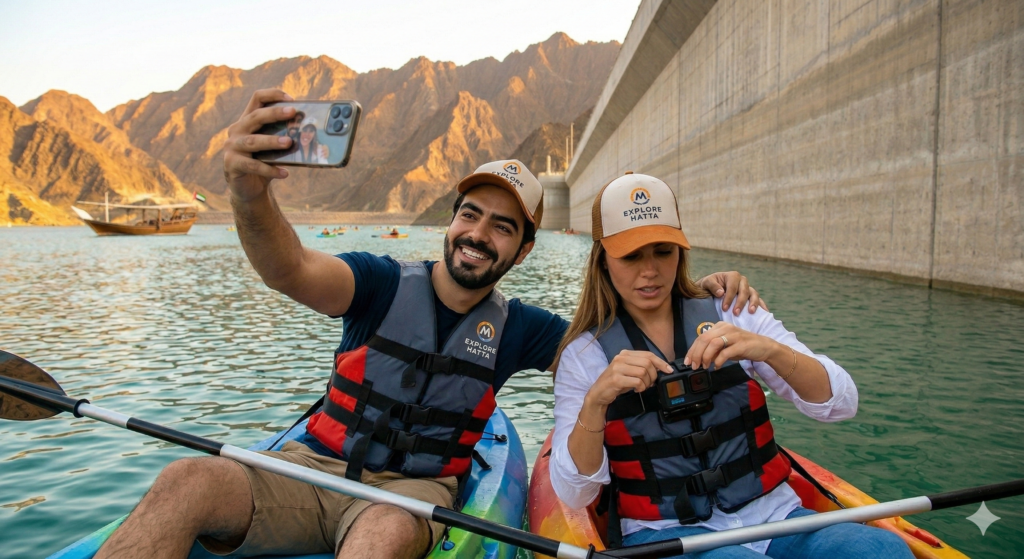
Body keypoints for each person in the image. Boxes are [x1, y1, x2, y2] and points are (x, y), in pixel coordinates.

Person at [94, 89, 766, 559]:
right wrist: (247, 192)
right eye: (470, 213)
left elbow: (618, 345)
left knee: (382, 537)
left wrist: (689, 297)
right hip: (308, 466)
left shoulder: (525, 328)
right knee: (184, 481)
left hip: (410, 493)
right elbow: (288, 266)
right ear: (451, 220)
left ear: (523, 251)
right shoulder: (379, 282)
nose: (479, 234)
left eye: (503, 227)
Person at [548, 173, 913, 558]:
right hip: (666, 536)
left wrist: (768, 350)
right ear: (603, 261)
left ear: (681, 252)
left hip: (777, 518)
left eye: (663, 250)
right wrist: (595, 403)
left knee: (882, 549)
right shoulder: (584, 353)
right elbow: (575, 492)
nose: (650, 270)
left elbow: (842, 403)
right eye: (631, 256)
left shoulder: (731, 310)